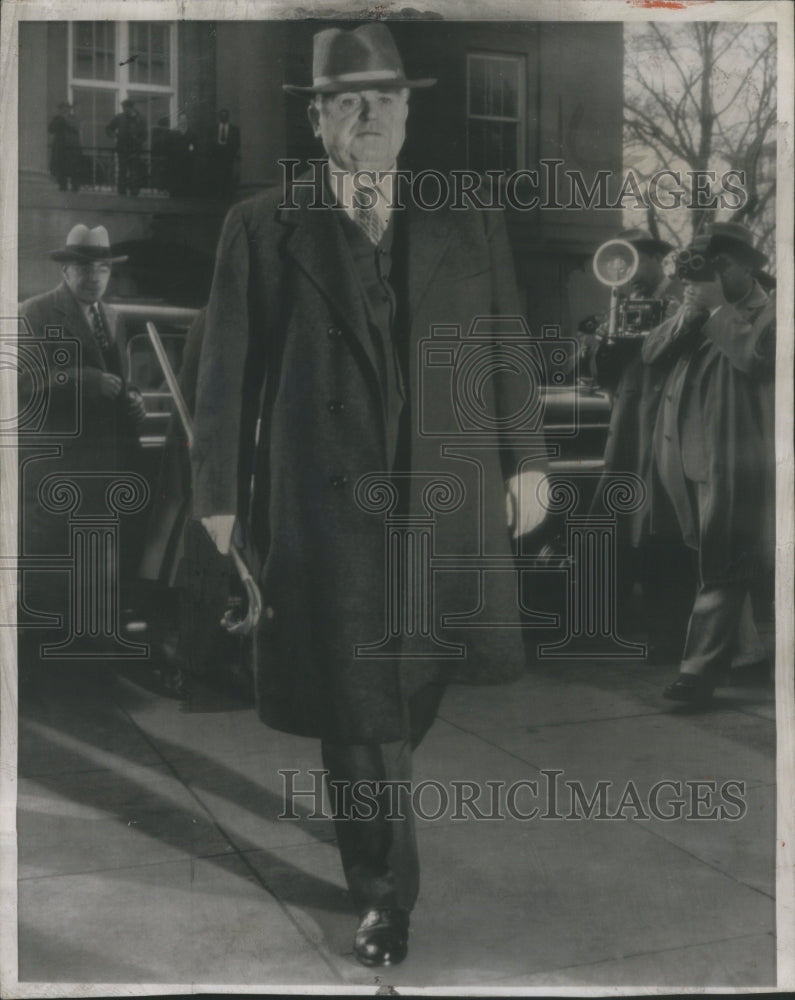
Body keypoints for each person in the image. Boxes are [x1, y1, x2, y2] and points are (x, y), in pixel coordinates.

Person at [191, 23, 547, 967]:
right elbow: (224, 371)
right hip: (326, 508)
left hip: (446, 500)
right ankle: (385, 893)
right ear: (316, 119)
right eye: (346, 100)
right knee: (359, 709)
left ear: (408, 111)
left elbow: (506, 343)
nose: (369, 116)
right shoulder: (263, 225)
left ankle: (375, 801)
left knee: (412, 689)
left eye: (385, 99)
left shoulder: (464, 215)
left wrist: (527, 458)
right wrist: (218, 493)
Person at [641, 221, 775, 704]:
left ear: (745, 267)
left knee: (722, 562)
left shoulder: (771, 311)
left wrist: (717, 308)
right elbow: (650, 352)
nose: (710, 277)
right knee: (711, 557)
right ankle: (745, 656)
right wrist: (689, 313)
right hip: (686, 459)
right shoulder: (696, 311)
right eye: (701, 270)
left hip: (736, 457)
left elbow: (757, 358)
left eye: (721, 267)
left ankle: (697, 673)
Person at [18, 224, 147, 640]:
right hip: (57, 468)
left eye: (104, 270)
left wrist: (134, 401)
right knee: (53, 570)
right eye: (86, 269)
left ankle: (90, 670)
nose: (96, 278)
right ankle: (46, 674)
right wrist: (84, 379)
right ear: (66, 271)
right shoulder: (34, 312)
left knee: (96, 569)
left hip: (104, 467)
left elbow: (118, 380)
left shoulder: (113, 317)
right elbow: (23, 382)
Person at [584, 229, 684, 655]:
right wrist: (605, 343)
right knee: (616, 520)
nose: (626, 273)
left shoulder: (683, 298)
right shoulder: (620, 304)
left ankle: (667, 633)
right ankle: (605, 622)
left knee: (664, 527)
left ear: (657, 260)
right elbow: (600, 373)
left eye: (633, 260)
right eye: (618, 263)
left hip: (670, 421)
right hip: (629, 427)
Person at [106, 99, 147, 196]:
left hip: (135, 150)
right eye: (123, 108)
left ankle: (134, 194)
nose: (124, 110)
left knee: (134, 172)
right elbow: (108, 128)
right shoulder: (119, 118)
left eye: (126, 108)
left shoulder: (141, 119)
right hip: (122, 149)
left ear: (131, 108)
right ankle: (121, 193)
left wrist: (139, 143)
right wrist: (114, 137)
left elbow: (145, 135)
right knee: (122, 171)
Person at [48, 101, 82, 192]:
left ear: (69, 109)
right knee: (61, 168)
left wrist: (64, 120)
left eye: (65, 108)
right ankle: (63, 187)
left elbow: (75, 127)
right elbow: (50, 129)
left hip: (72, 147)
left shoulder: (74, 118)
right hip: (60, 147)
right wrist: (59, 119)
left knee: (74, 168)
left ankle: (75, 188)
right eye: (61, 108)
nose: (63, 110)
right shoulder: (57, 118)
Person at [208, 108, 240, 198]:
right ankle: (217, 195)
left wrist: (231, 153)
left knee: (228, 177)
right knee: (217, 177)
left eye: (225, 116)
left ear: (228, 117)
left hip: (228, 158)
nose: (224, 117)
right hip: (216, 157)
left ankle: (227, 196)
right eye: (222, 116)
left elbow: (236, 143)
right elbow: (210, 143)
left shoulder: (234, 130)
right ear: (219, 117)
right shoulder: (213, 129)